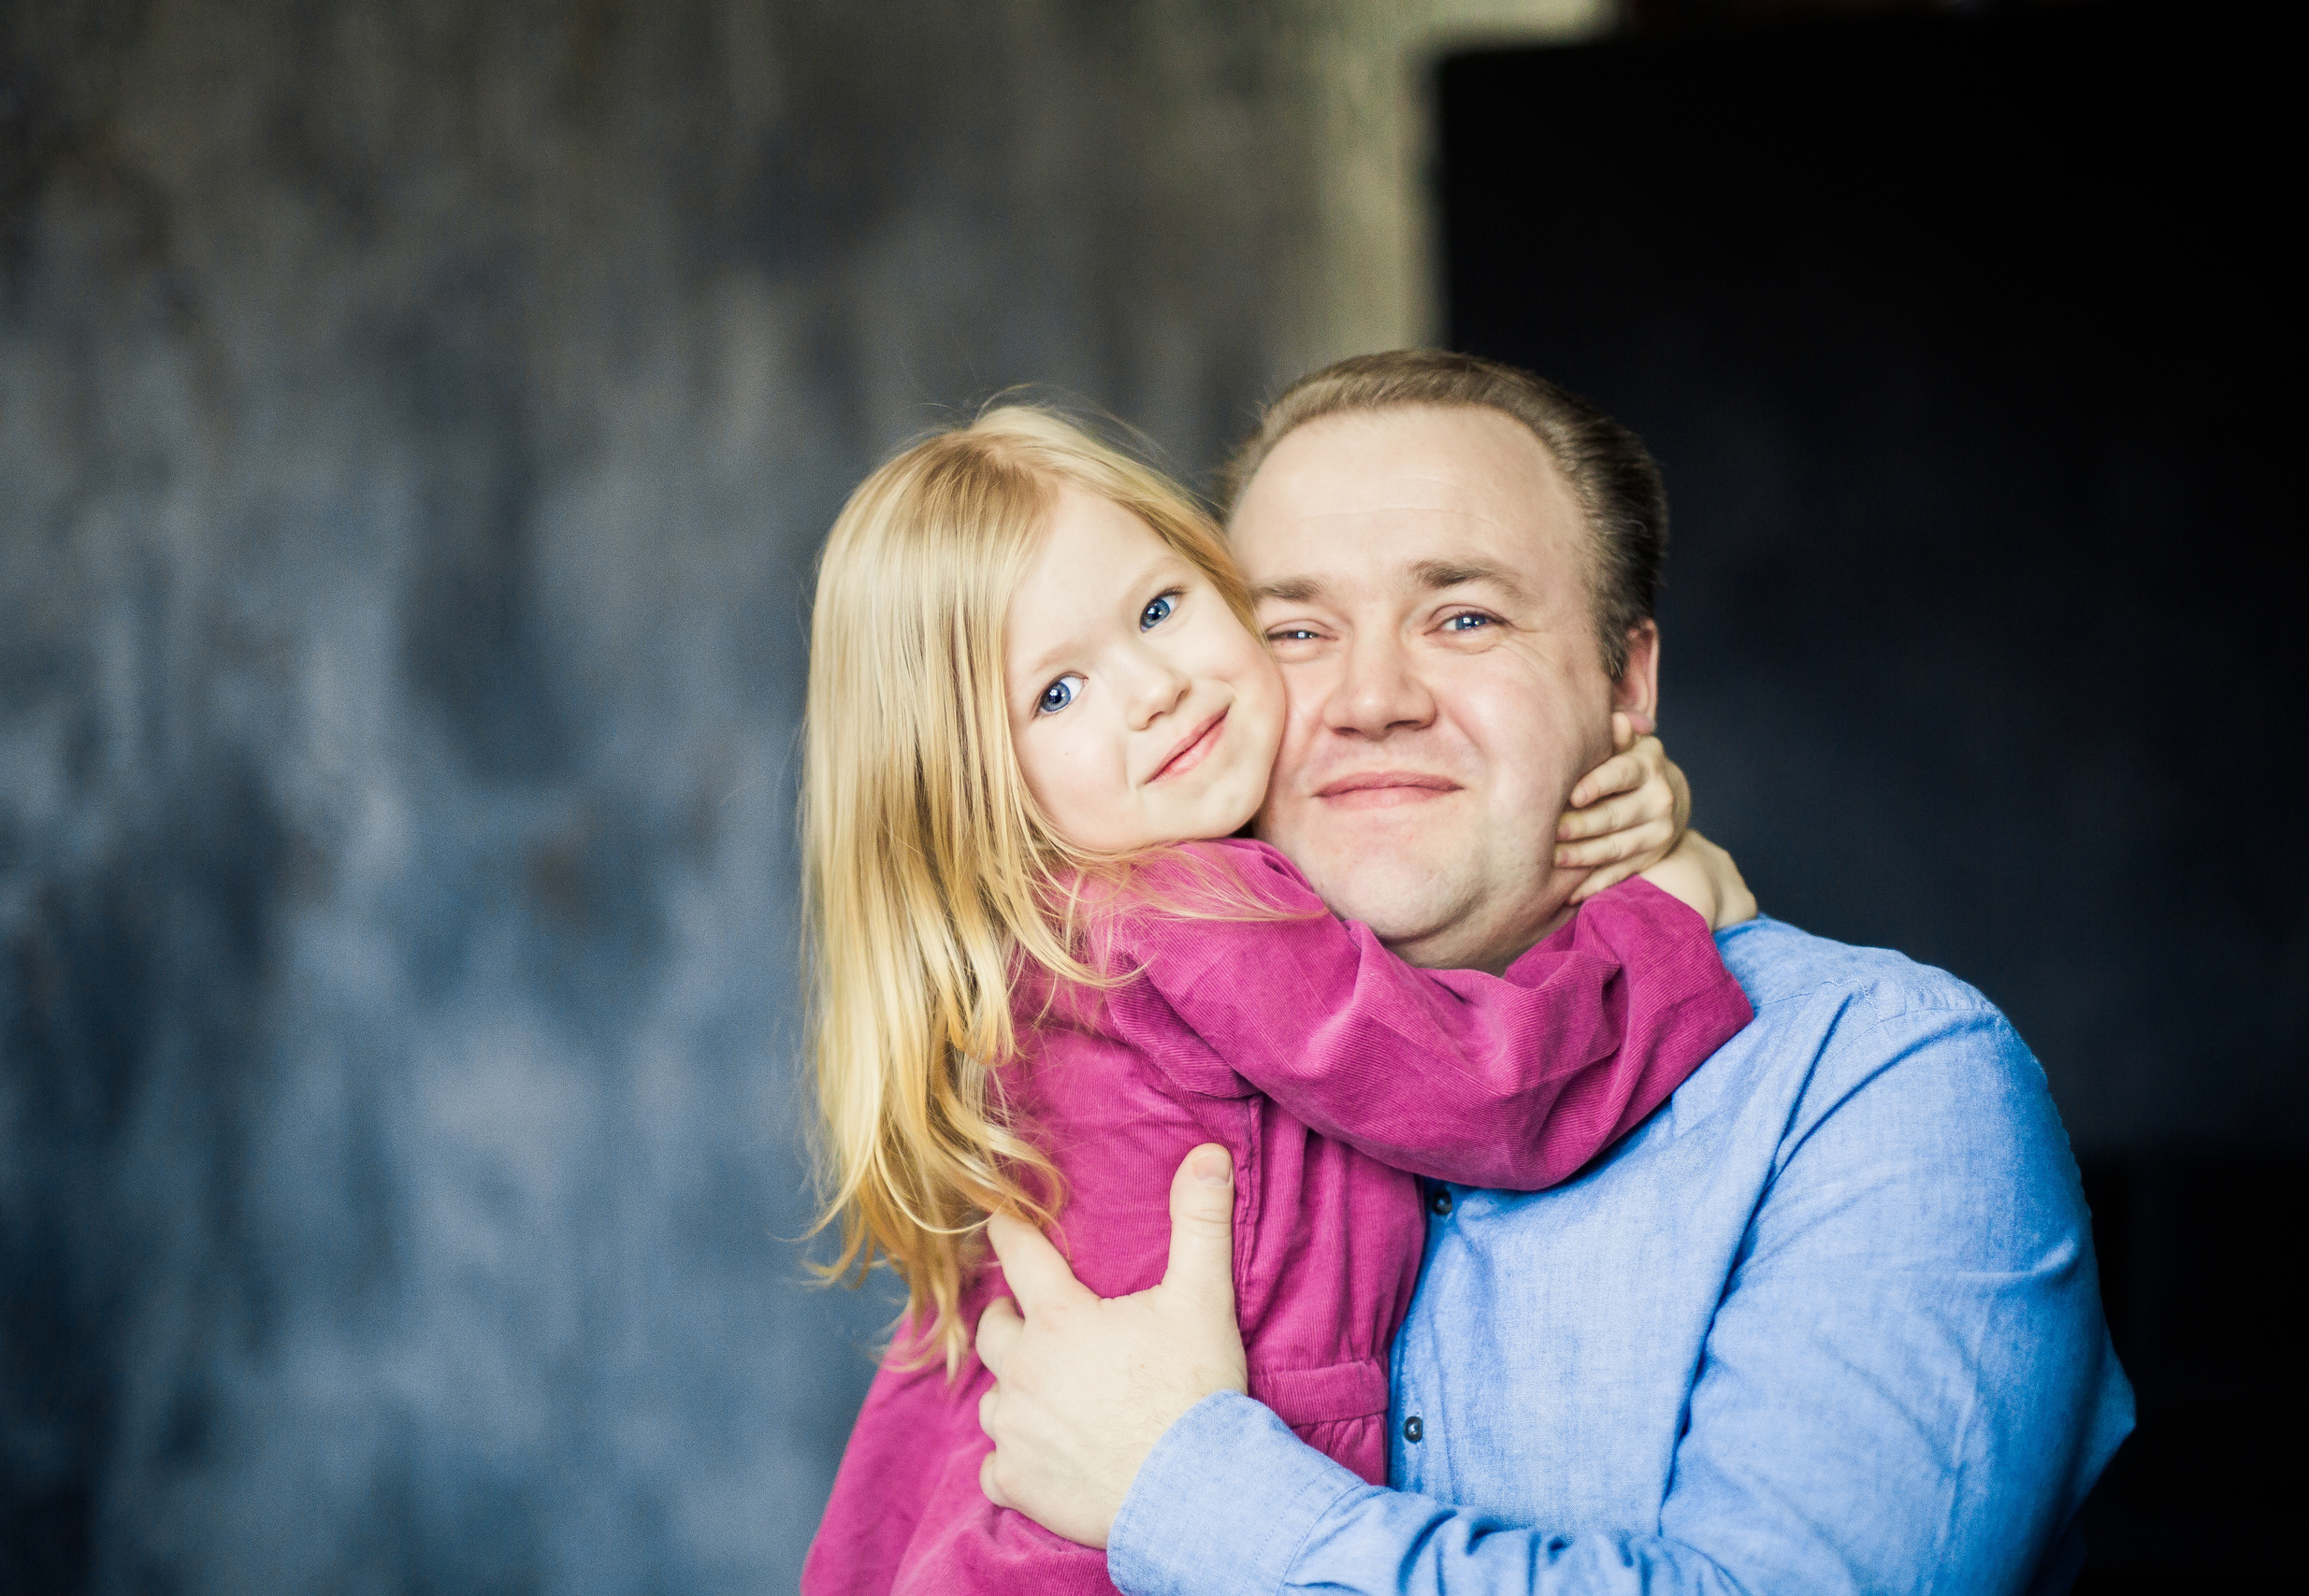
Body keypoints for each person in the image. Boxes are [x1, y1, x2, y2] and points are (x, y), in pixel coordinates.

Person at [970, 352, 2136, 1595]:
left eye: (1463, 615)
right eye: (1294, 630)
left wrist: (1182, 1486)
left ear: (1626, 682)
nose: (1371, 698)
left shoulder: (1884, 1085)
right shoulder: (1091, 1064)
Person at [795, 405, 1760, 1594]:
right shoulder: (1185, 911)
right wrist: (1656, 922)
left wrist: (1613, 803)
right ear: (970, 791)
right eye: (1054, 695)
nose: (1151, 689)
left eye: (1159, 609)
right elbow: (1488, 1091)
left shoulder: (1066, 938)